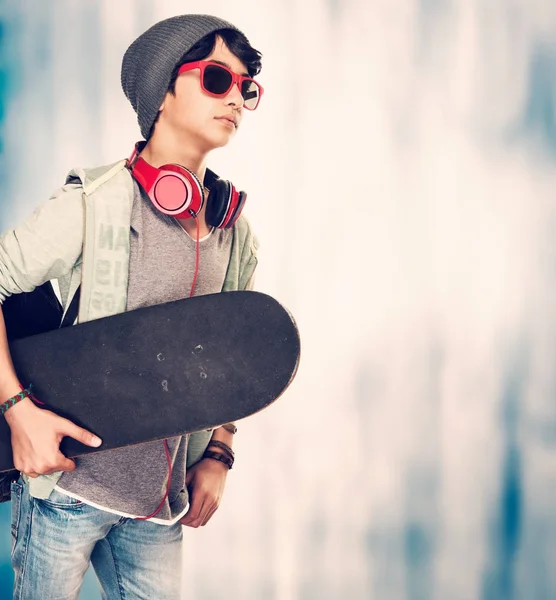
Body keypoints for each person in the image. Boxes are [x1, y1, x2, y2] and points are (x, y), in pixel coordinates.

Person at [0, 13, 263, 599]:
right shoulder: (93, 205)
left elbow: (237, 355)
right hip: (65, 492)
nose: (237, 100)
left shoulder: (232, 230)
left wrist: (219, 452)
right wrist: (19, 411)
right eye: (217, 80)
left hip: (158, 506)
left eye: (246, 88)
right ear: (162, 91)